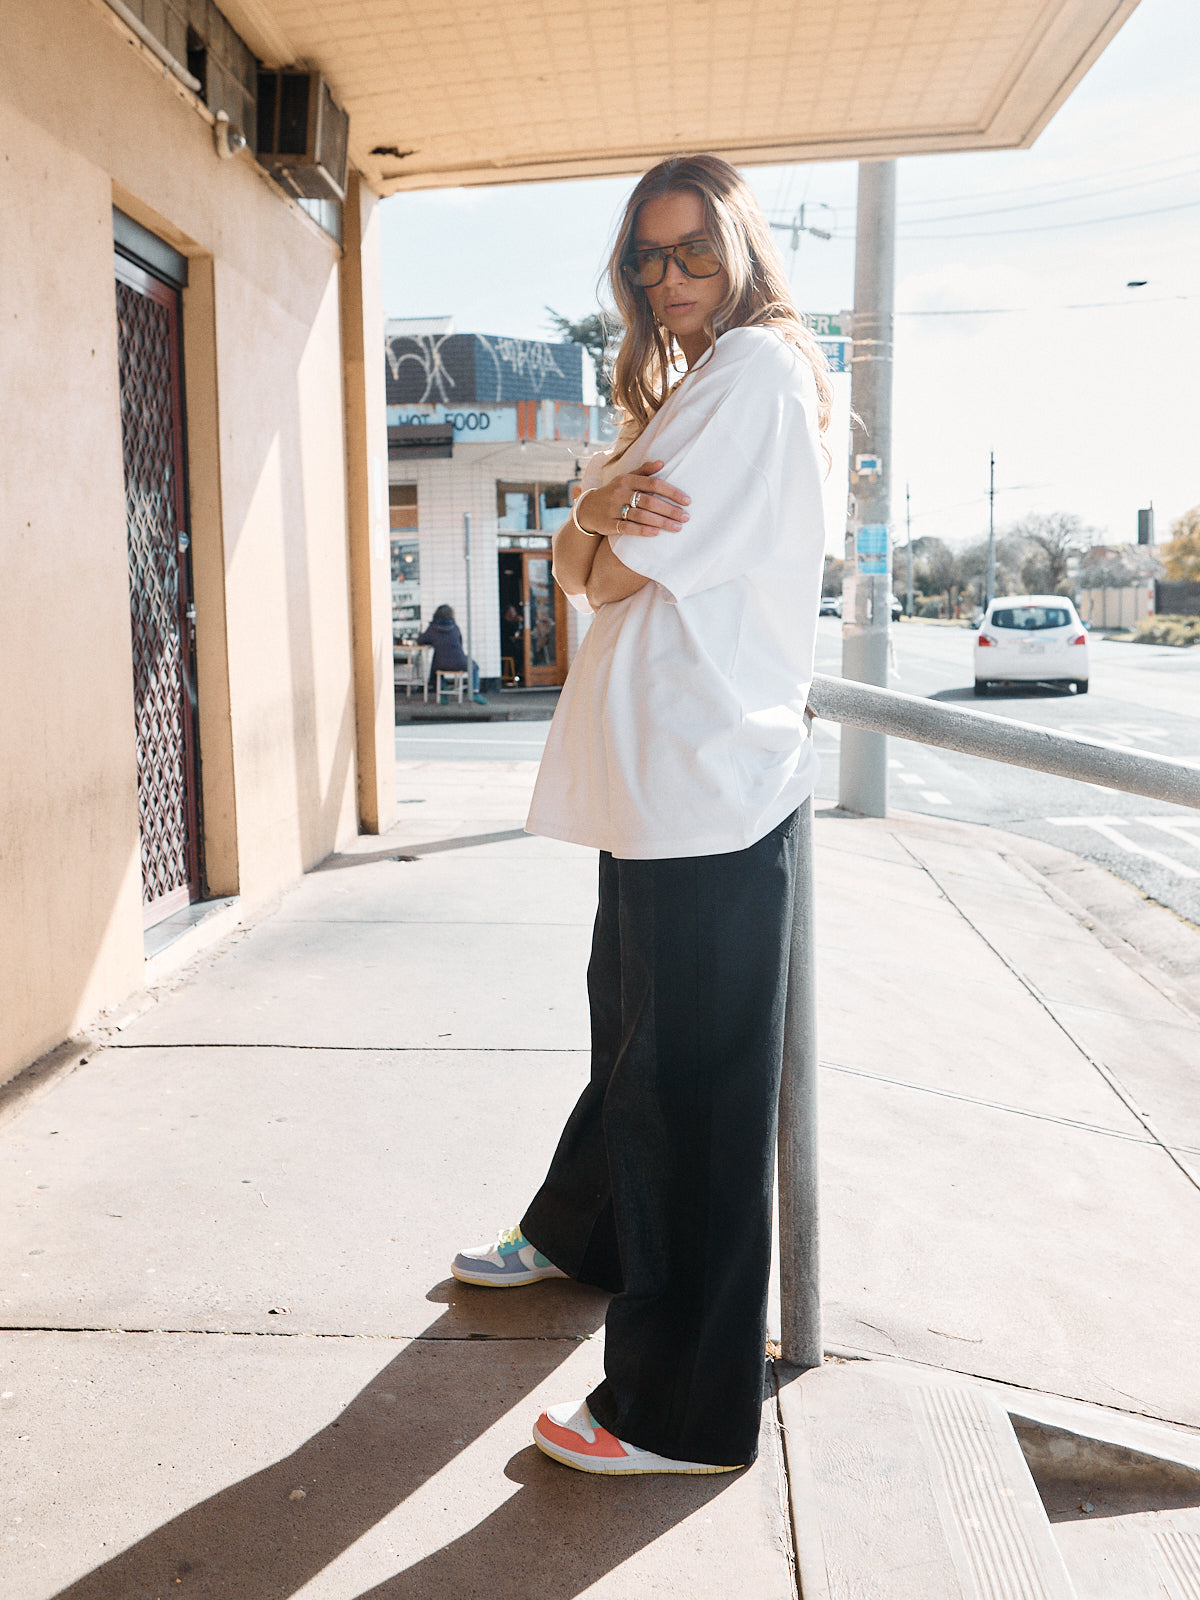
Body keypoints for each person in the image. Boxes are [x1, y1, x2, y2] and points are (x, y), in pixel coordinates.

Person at [452, 154, 832, 1475]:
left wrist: (586, 526)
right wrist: (584, 527)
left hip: (710, 787)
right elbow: (583, 552)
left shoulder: (757, 378)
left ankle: (680, 1413)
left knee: (699, 1107)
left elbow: (604, 573)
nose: (668, 280)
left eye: (692, 253)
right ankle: (585, 1239)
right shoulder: (704, 378)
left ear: (741, 249)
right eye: (646, 260)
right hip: (665, 788)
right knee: (640, 1055)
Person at [417, 604, 486, 704]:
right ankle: (474, 692)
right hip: (460, 662)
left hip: (441, 664)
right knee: (474, 667)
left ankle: (443, 690)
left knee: (435, 670)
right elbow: (460, 643)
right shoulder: (455, 628)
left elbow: (420, 641)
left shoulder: (432, 629)